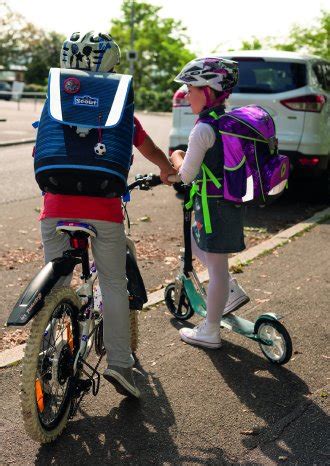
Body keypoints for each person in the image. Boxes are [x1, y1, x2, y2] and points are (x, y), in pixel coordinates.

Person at [39, 31, 176, 398]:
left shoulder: (56, 97)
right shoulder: (117, 103)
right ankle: (119, 364)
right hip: (103, 208)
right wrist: (168, 170)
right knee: (114, 284)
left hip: (55, 206)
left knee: (56, 284)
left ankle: (49, 350)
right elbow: (147, 148)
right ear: (111, 62)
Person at [170, 57, 249, 349]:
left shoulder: (203, 129)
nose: (186, 94)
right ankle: (229, 289)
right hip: (229, 202)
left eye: (191, 88)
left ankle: (210, 330)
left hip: (213, 207)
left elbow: (186, 175)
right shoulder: (227, 121)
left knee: (215, 269)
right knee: (198, 242)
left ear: (208, 91)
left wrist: (176, 156)